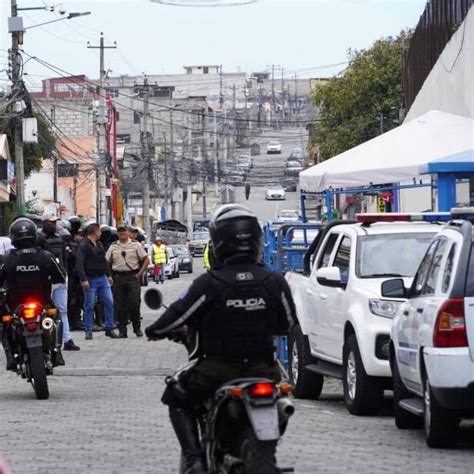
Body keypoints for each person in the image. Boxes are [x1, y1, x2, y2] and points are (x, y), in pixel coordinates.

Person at [145, 204, 297, 473]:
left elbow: (178, 315)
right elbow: (287, 323)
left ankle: (194, 459)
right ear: (256, 241)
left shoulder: (210, 282)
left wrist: (154, 331)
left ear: (218, 242)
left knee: (175, 395)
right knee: (283, 397)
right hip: (265, 369)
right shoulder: (274, 281)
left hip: (216, 370)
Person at [0, 217, 66, 370]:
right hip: (42, 301)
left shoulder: (8, 259)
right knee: (57, 318)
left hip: (15, 305)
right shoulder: (45, 256)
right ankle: (57, 351)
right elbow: (60, 277)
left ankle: (10, 358)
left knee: (4, 325)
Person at [37, 213, 80, 358]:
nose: (53, 224)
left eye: (54, 222)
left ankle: (67, 339)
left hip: (61, 277)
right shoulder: (38, 238)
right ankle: (46, 338)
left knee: (62, 309)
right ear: (44, 222)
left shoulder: (60, 237)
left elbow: (65, 257)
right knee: (44, 309)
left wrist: (65, 273)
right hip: (45, 279)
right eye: (50, 222)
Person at [75, 223, 119, 340]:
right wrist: (84, 279)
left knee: (109, 302)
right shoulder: (83, 245)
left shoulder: (99, 244)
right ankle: (88, 331)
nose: (100, 234)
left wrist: (108, 275)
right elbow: (79, 264)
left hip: (102, 278)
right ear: (95, 232)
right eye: (99, 231)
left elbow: (103, 261)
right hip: (90, 279)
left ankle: (109, 328)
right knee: (89, 305)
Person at [106, 224, 149, 338]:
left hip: (132, 277)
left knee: (134, 303)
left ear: (128, 232)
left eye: (124, 231)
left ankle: (137, 328)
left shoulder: (135, 245)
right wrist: (109, 276)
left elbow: (146, 259)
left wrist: (140, 274)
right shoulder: (113, 246)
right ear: (117, 233)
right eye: (120, 231)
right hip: (118, 278)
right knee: (120, 306)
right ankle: (122, 330)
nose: (122, 233)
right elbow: (107, 262)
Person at [67, 216, 84, 331]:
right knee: (71, 299)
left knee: (78, 298)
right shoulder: (66, 239)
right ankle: (71, 321)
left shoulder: (75, 240)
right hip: (69, 273)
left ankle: (76, 320)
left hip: (76, 272)